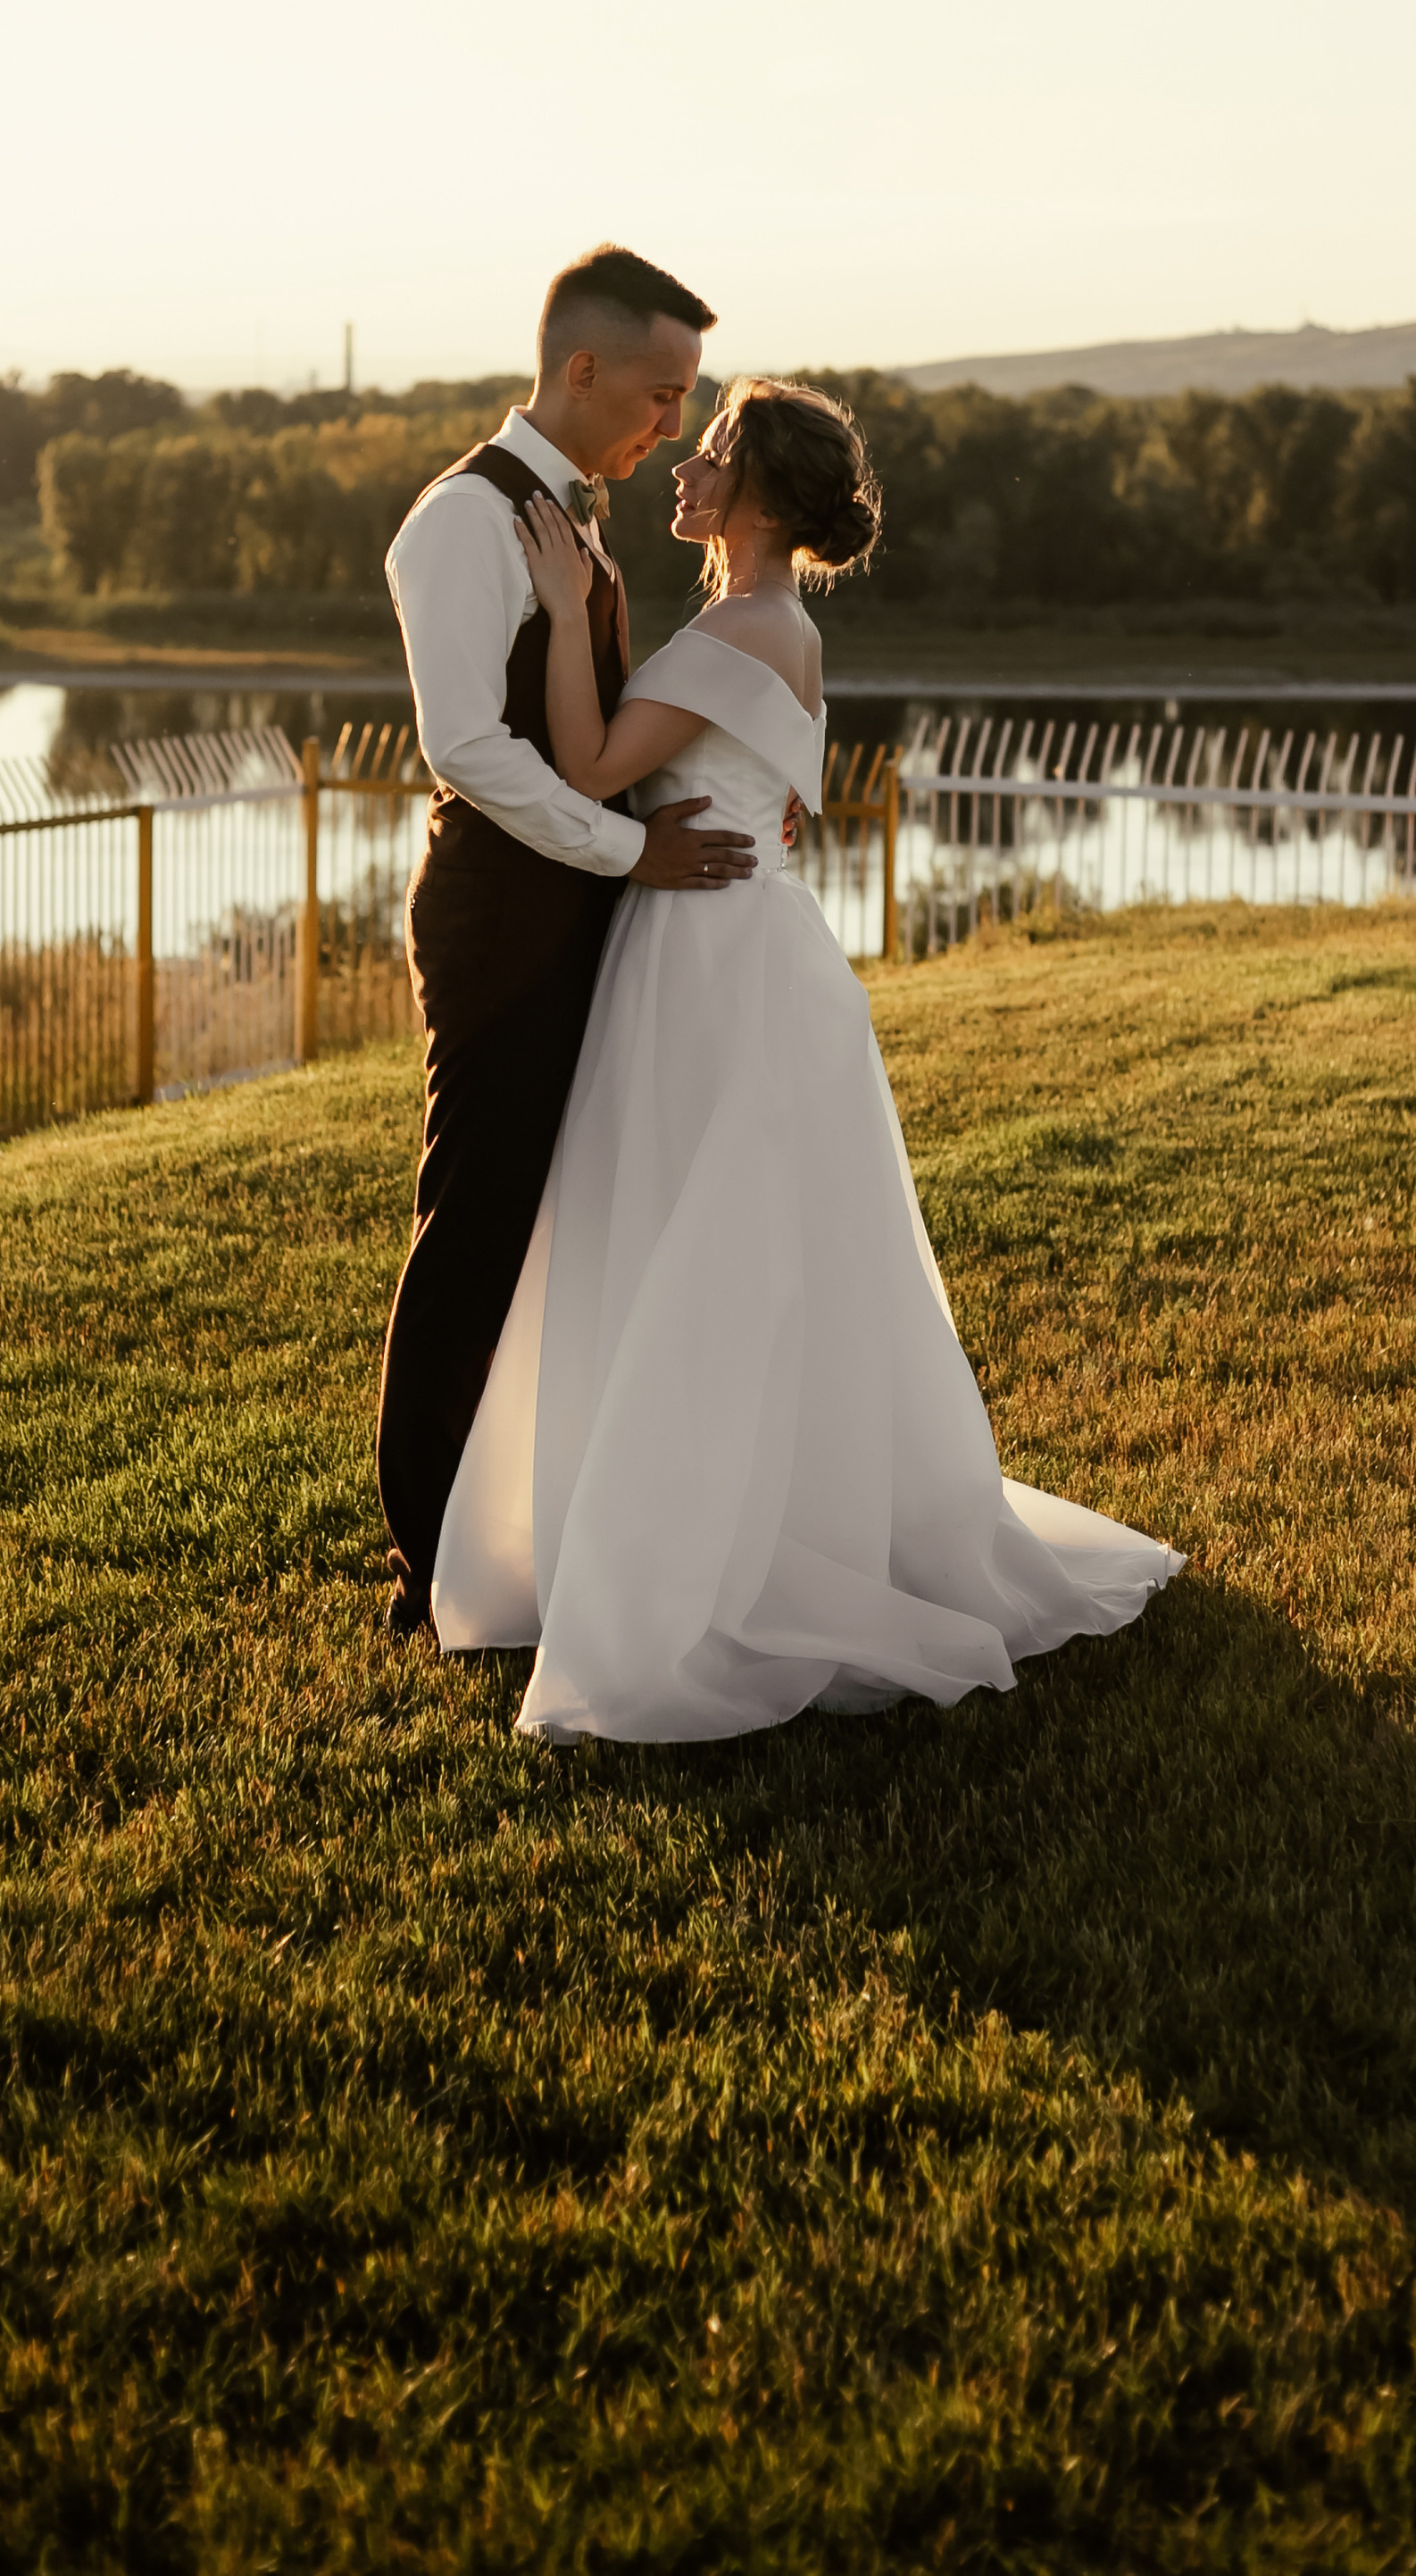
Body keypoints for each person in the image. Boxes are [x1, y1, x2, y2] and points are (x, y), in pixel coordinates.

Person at [429, 373, 1182, 1741]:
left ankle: (713, 1554)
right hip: (724, 946)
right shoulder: (755, 623)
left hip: (714, 967)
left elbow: (592, 768)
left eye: (710, 452)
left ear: (762, 497)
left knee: (707, 1252)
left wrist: (551, 609)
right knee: (723, 1249)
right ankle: (693, 1515)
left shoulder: (745, 627)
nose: (686, 465)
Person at [377, 246, 758, 1638]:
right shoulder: (462, 523)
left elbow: (592, 734)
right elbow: (469, 746)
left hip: (578, 908)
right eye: (661, 394)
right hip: (501, 919)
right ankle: (428, 1562)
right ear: (581, 368)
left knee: (553, 1224)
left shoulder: (571, 522)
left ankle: (527, 1517)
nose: (670, 425)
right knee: (474, 1224)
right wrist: (632, 851)